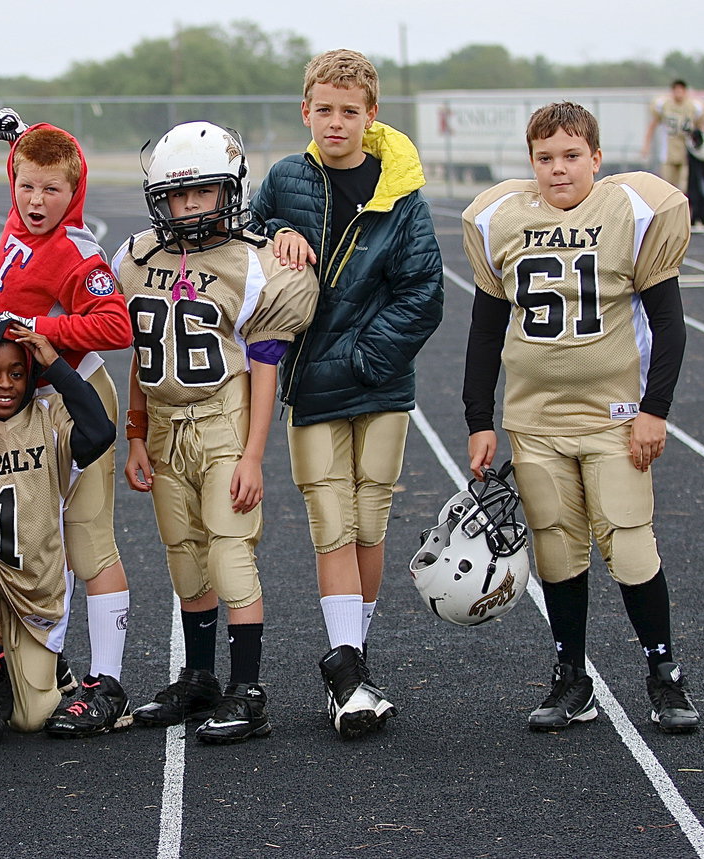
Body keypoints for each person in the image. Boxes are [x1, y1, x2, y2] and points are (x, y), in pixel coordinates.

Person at [463, 101, 702, 734]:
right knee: (557, 552)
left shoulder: (630, 211)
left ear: (596, 157)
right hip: (535, 422)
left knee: (628, 543)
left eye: (571, 156)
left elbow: (671, 325)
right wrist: (478, 418)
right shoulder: (501, 219)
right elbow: (484, 332)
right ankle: (573, 679)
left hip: (613, 417)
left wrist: (655, 411)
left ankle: (664, 673)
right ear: (531, 161)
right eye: (545, 158)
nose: (558, 169)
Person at [248, 49, 444, 739]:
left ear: (372, 115)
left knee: (369, 517)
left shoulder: (401, 192)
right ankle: (350, 674)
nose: (336, 122)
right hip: (310, 384)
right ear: (306, 112)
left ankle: (352, 663)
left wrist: (365, 356)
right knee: (328, 518)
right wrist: (276, 231)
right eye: (324, 109)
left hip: (378, 381)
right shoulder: (284, 178)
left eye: (349, 111)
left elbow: (424, 293)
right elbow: (243, 241)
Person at [113, 122, 318, 743]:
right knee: (185, 558)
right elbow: (140, 353)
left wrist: (254, 455)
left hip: (223, 423)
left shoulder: (255, 265)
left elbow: (264, 369)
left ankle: (248, 688)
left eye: (203, 193)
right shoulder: (135, 258)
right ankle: (200, 677)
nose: (191, 206)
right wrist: (136, 433)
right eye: (180, 195)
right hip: (165, 429)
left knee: (231, 552)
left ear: (229, 191)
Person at [0, 110, 135, 737]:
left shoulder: (77, 251)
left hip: (74, 395)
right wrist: (19, 135)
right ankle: (55, 668)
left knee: (87, 537)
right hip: (20, 402)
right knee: (23, 537)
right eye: (27, 185)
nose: (37, 199)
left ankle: (109, 684)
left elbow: (117, 326)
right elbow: (28, 153)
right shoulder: (21, 210)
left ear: (77, 192)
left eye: (53, 189)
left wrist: (37, 329)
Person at [0, 315, 116, 745]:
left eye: (17, 374)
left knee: (32, 720)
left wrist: (55, 365)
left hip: (38, 577)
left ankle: (48, 665)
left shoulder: (50, 419)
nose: (5, 384)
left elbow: (100, 431)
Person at [641, 79, 704, 192]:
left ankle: (684, 209)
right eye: (676, 90)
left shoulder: (693, 106)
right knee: (668, 187)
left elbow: (700, 126)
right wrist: (646, 145)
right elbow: (653, 125)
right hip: (668, 152)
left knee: (684, 187)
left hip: (686, 151)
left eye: (681, 90)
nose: (678, 93)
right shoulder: (664, 105)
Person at [686, 125, 704, 227]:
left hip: (702, 174)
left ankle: (702, 218)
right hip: (693, 175)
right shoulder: (689, 145)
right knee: (693, 195)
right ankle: (694, 217)